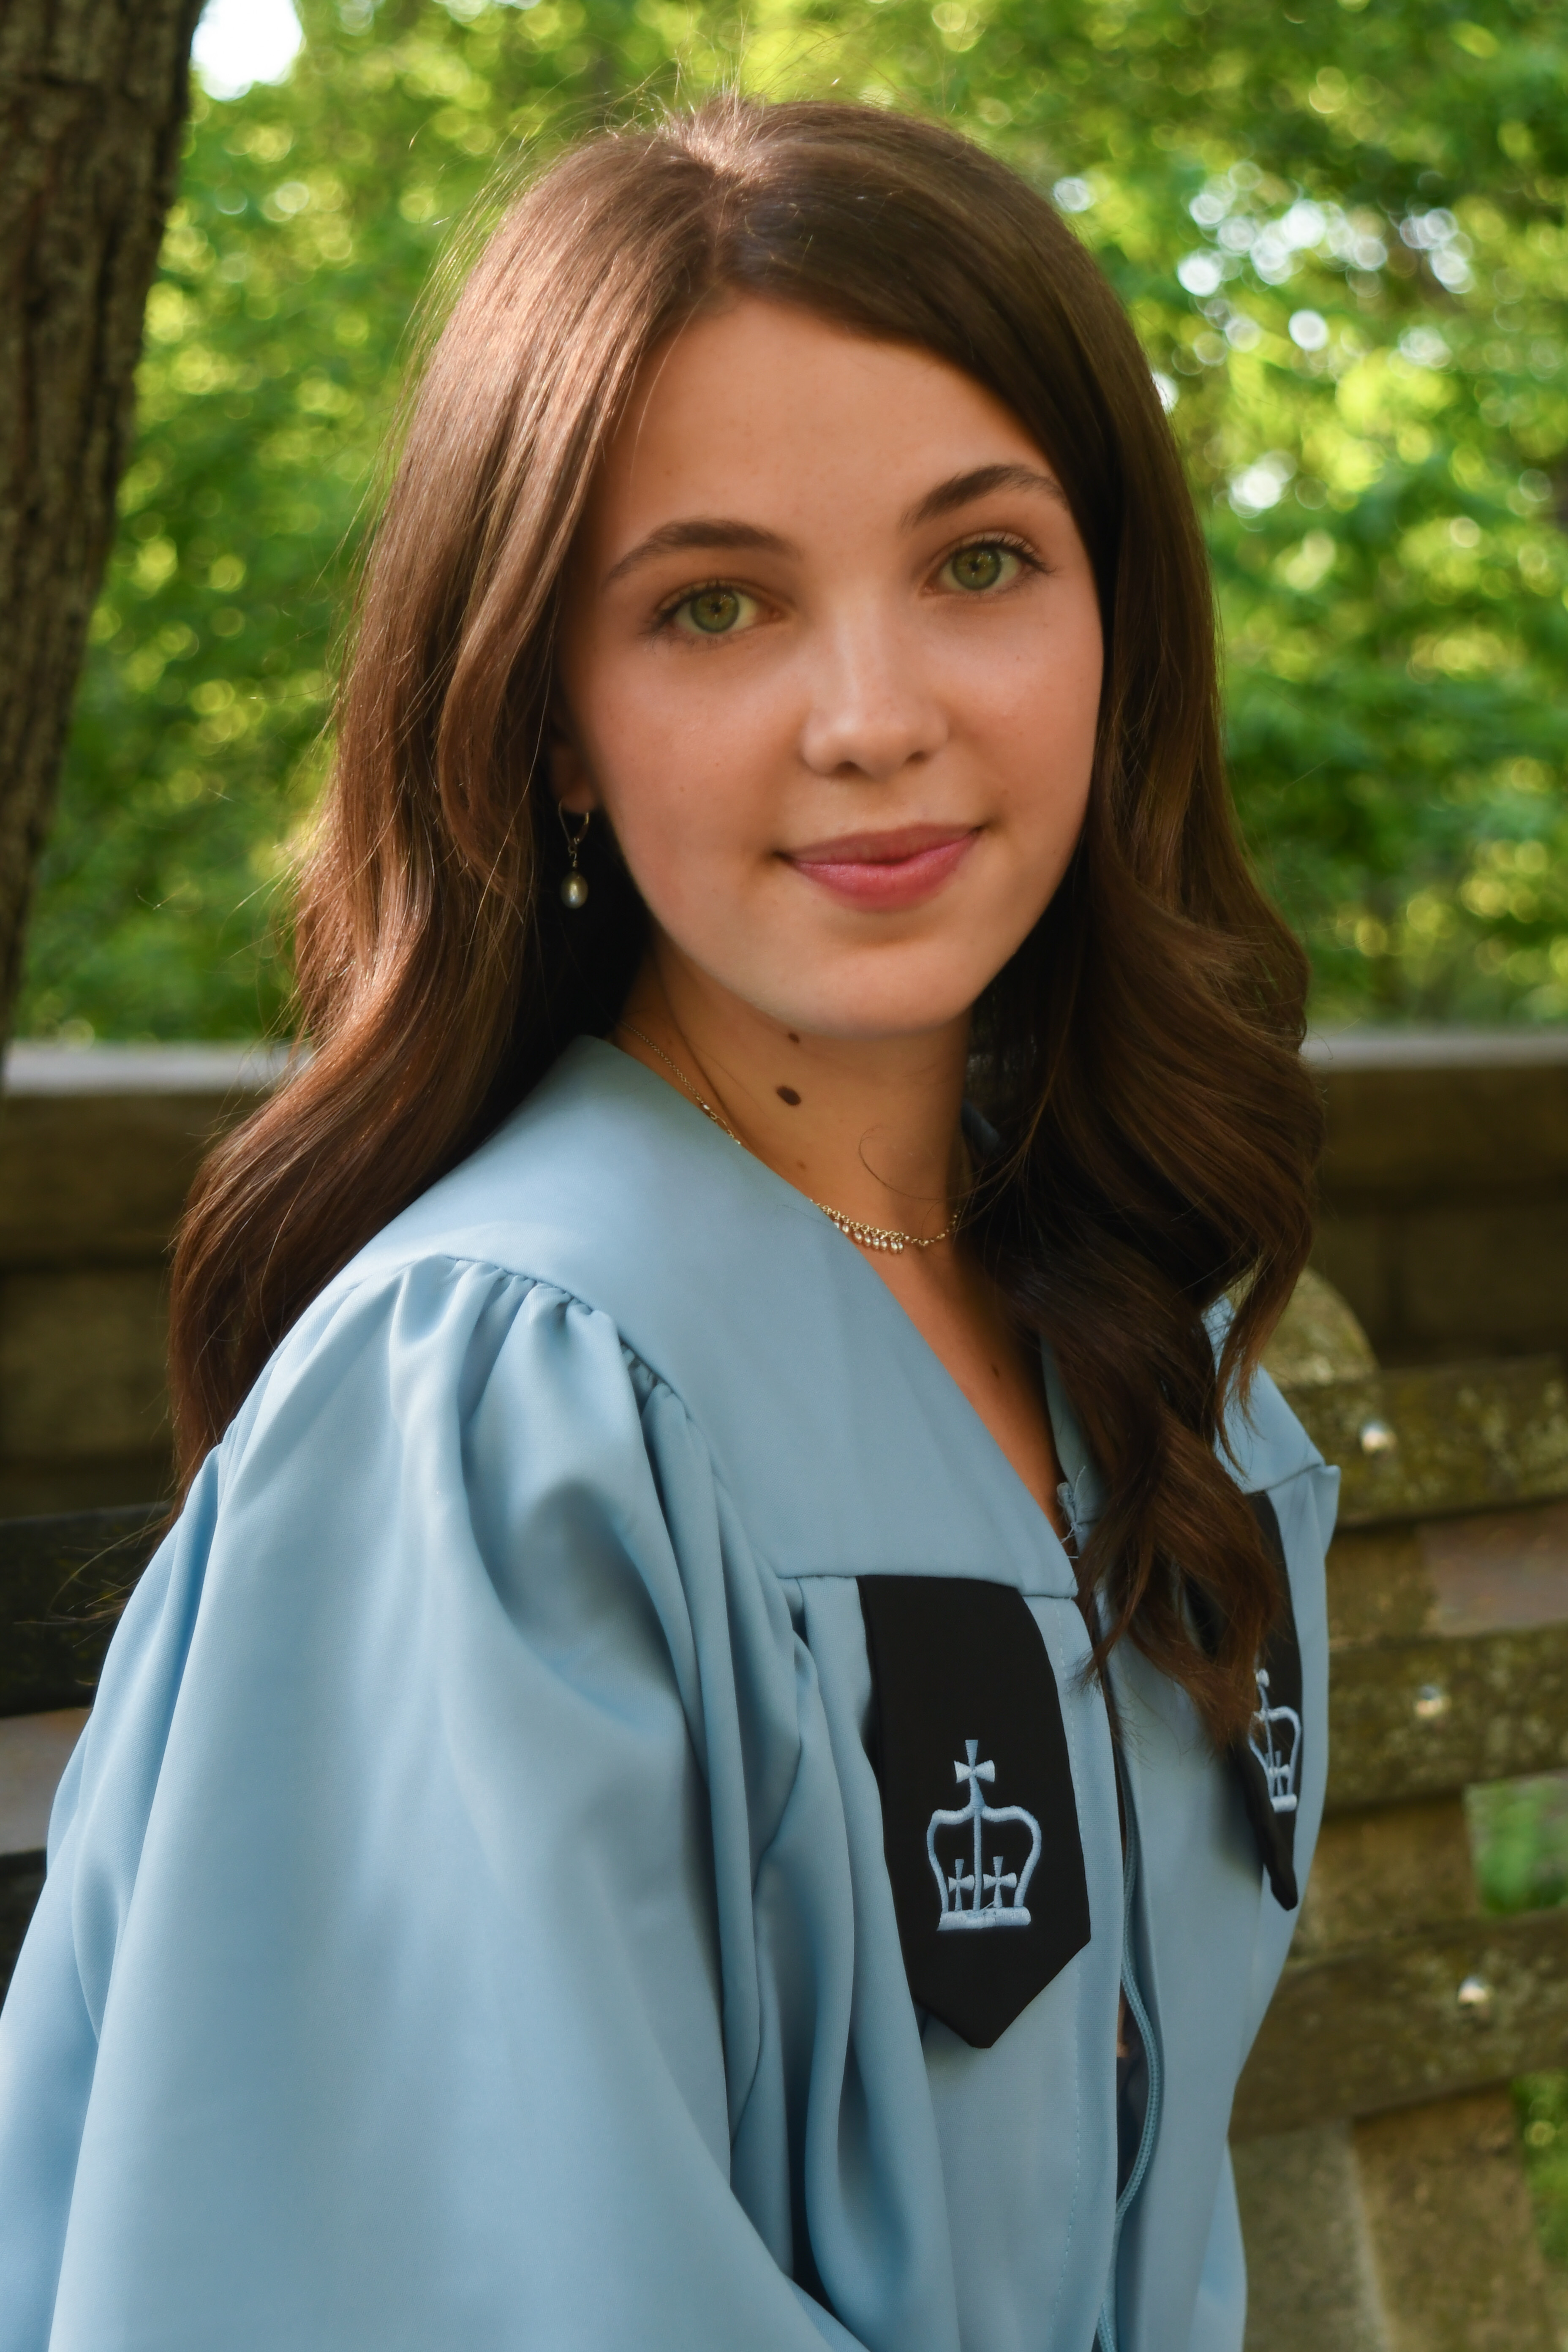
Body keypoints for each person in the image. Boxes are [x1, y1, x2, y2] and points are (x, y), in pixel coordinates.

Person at [0, 97, 1335, 2352]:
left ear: (1120, 614)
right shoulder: (502, 1408)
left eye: (980, 563)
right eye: (713, 607)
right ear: (548, 725)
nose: (873, 718)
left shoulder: (1146, 1359)